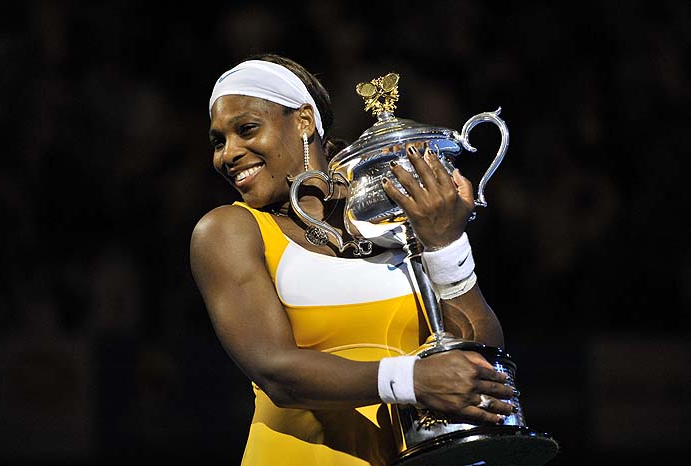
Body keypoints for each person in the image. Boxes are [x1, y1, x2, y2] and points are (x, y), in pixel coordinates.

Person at [190, 54, 516, 466]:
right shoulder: (227, 230)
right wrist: (410, 381)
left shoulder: (398, 216)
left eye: (246, 129)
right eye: (219, 141)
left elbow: (482, 364)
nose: (228, 154)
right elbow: (277, 372)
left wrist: (446, 242)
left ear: (304, 121)